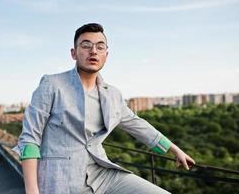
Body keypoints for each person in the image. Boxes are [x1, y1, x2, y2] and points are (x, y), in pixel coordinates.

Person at [13, 23, 195, 194]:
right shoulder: (52, 84)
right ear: (73, 53)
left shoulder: (112, 94)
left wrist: (174, 149)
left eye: (100, 47)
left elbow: (137, 124)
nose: (93, 51)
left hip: (102, 173)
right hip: (61, 177)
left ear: (106, 55)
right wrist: (32, 191)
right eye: (86, 45)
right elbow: (29, 139)